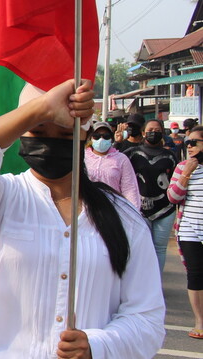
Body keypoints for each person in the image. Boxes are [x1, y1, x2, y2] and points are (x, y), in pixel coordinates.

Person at [0, 80, 165, 358]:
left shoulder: (124, 218)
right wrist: (42, 107)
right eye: (38, 130)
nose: (50, 142)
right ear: (20, 134)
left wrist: (98, 345)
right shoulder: (0, 199)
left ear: (84, 138)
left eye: (65, 134)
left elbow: (148, 319)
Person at [124, 118, 180, 273]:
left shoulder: (170, 156)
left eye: (157, 131)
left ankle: (157, 285)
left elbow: (177, 180)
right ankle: (141, 285)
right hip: (138, 209)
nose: (153, 133)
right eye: (150, 130)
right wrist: (117, 143)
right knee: (140, 248)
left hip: (165, 209)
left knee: (159, 249)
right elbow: (116, 168)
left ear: (162, 133)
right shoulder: (132, 154)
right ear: (143, 132)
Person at [167, 126, 203, 339]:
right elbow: (173, 197)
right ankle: (199, 320)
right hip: (190, 229)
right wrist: (187, 173)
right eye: (187, 142)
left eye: (194, 142)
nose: (189, 146)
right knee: (195, 275)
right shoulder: (182, 167)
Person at [84, 121, 140, 206]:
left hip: (114, 210)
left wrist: (133, 213)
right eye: (96, 136)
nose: (101, 139)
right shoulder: (82, 157)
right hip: (87, 208)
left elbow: (130, 189)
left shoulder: (121, 159)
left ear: (111, 138)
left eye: (106, 136)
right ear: (91, 138)